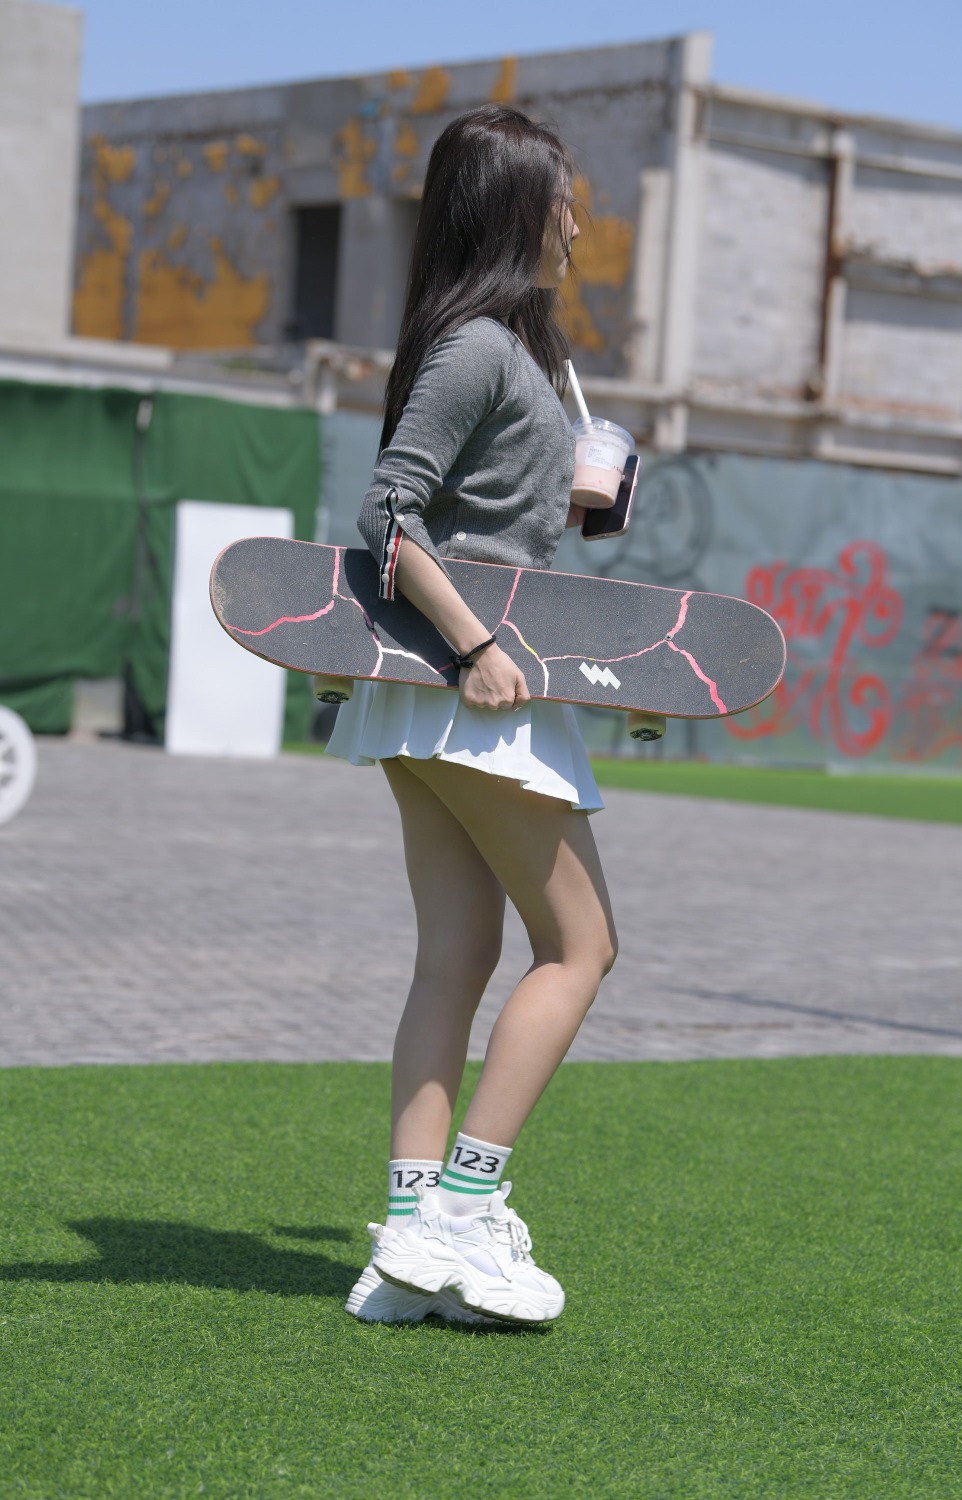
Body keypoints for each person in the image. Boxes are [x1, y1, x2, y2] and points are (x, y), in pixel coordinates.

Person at [327, 105, 618, 1327]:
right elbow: (386, 517)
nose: (576, 223)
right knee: (581, 949)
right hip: (472, 692)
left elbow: (478, 514)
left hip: (430, 696)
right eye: (562, 199)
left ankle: (406, 1246)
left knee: (456, 957)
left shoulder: (504, 351)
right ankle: (461, 1208)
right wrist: (479, 646)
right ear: (512, 209)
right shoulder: (479, 349)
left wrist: (579, 496)